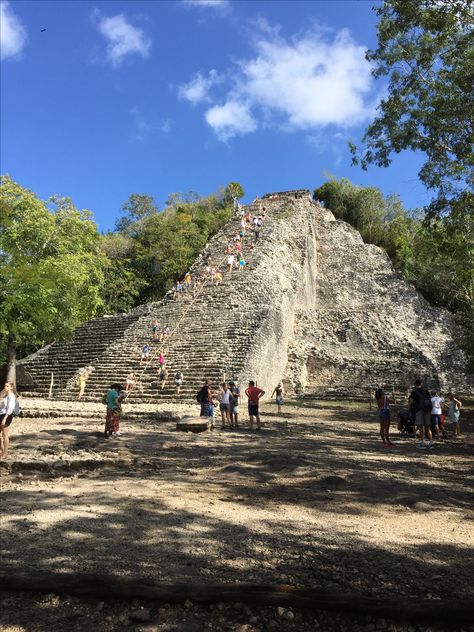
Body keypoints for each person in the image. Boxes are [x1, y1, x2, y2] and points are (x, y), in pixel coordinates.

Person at [409, 379, 433, 449]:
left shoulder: (414, 392)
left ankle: (423, 444)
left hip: (419, 410)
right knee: (428, 428)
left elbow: (410, 401)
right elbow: (430, 401)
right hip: (427, 410)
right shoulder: (426, 391)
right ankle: (430, 444)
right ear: (421, 384)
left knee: (420, 427)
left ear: (415, 384)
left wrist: (410, 409)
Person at [0, 382, 17, 460]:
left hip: (6, 416)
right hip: (1, 414)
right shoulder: (5, 396)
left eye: (7, 386)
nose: (5, 387)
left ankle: (5, 453)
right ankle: (2, 451)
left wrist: (5, 418)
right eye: (5, 386)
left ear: (11, 387)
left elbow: (10, 408)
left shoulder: (11, 396)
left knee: (5, 435)